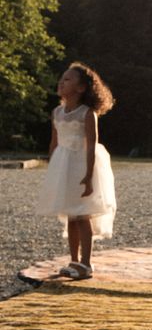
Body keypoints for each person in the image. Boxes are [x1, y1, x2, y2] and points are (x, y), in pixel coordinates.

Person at [36, 62, 117, 280]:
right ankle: (73, 259)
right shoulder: (57, 112)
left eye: (68, 79)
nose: (61, 82)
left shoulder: (87, 114)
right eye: (62, 79)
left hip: (82, 164)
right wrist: (53, 168)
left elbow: (91, 145)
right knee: (71, 215)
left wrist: (89, 175)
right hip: (64, 165)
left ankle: (86, 263)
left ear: (81, 88)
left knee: (83, 214)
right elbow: (54, 142)